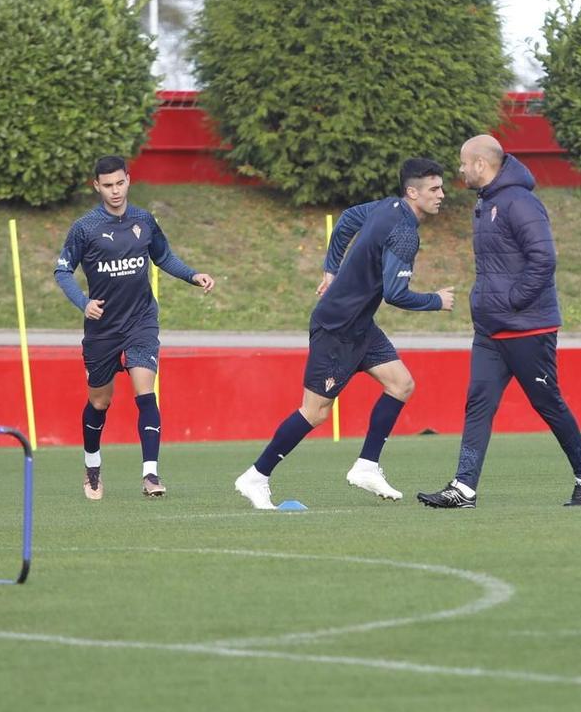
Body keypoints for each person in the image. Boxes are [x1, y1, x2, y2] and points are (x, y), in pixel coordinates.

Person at [235, 158, 455, 509]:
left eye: (441, 187)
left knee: (401, 384)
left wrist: (330, 270)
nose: (442, 194)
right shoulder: (404, 233)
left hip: (359, 325)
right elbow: (395, 293)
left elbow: (349, 219)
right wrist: (436, 300)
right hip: (336, 327)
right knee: (315, 412)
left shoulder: (387, 206)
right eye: (434, 189)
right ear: (412, 192)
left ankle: (366, 466)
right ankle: (256, 476)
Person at [417, 135, 581, 510]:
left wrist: (512, 301)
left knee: (547, 402)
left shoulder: (520, 202)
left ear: (481, 166)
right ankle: (464, 488)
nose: (459, 170)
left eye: (463, 163)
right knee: (478, 404)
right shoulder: (486, 203)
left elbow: (544, 259)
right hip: (490, 330)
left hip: (527, 328)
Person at [54, 155, 216, 501]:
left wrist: (192, 275)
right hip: (103, 329)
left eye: (120, 183)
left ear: (129, 180)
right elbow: (63, 271)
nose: (115, 191)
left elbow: (163, 256)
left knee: (145, 392)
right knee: (100, 402)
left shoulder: (144, 220)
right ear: (96, 186)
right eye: (107, 185)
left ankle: (151, 475)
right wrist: (84, 303)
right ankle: (93, 467)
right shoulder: (85, 228)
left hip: (141, 320)